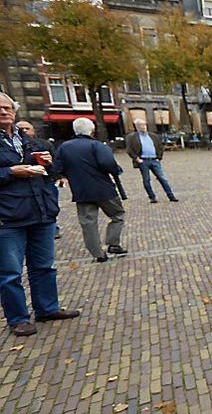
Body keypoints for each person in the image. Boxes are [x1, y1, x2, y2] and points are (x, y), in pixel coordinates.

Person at [0, 93, 80, 336]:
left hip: (40, 212)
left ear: (14, 111)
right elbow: (10, 172)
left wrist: (46, 163)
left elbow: (51, 173)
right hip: (7, 218)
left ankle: (47, 307)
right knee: (10, 273)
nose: (4, 112)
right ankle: (18, 319)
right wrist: (11, 172)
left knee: (44, 266)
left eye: (7, 107)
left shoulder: (26, 139)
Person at [52, 118, 127, 263]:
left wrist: (68, 176)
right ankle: (113, 243)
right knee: (118, 215)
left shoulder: (64, 147)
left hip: (81, 191)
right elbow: (108, 164)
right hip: (104, 189)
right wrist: (116, 170)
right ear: (91, 130)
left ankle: (97, 253)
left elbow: (56, 169)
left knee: (88, 223)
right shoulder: (97, 145)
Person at [16, 120, 63, 238]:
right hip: (21, 185)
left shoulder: (44, 144)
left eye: (27, 128)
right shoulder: (11, 145)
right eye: (21, 128)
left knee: (51, 205)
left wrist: (57, 174)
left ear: (33, 130)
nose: (25, 130)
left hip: (45, 181)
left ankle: (54, 226)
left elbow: (55, 162)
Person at [124, 118, 178, 203]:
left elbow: (160, 146)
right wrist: (136, 159)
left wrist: (159, 157)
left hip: (154, 160)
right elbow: (129, 149)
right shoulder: (132, 137)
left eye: (144, 124)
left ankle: (171, 196)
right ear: (137, 127)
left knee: (162, 178)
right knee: (146, 180)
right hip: (143, 161)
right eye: (141, 125)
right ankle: (152, 197)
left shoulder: (153, 136)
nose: (144, 127)